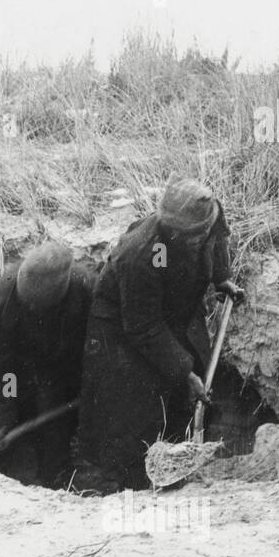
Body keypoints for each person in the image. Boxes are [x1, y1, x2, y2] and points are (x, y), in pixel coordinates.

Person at [77, 178, 245, 489]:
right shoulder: (143, 251)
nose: (183, 237)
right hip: (121, 324)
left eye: (191, 233)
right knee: (133, 401)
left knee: (193, 371)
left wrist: (222, 278)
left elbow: (217, 239)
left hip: (175, 306)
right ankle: (121, 479)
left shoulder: (209, 215)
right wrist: (185, 374)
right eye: (177, 232)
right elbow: (144, 327)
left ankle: (178, 457)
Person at [0, 241, 96, 487]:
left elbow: (102, 349)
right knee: (1, 414)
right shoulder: (4, 295)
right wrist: (2, 418)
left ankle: (56, 474)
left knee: (56, 427)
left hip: (66, 365)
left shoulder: (85, 288)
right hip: (17, 371)